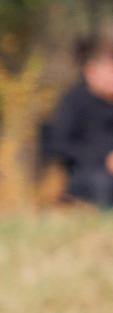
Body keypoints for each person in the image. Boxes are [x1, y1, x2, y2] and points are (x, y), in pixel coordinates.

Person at [39, 32, 113, 207]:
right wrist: (104, 157)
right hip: (86, 171)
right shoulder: (73, 101)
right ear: (91, 71)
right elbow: (60, 145)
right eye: (110, 72)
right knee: (103, 184)